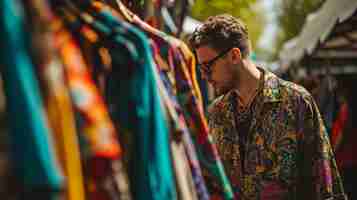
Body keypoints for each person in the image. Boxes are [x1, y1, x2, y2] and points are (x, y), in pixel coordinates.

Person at [189, 14, 347, 200]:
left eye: (208, 66)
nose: (204, 76)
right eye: (201, 69)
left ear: (234, 56)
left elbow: (325, 184)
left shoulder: (296, 101)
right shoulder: (216, 113)